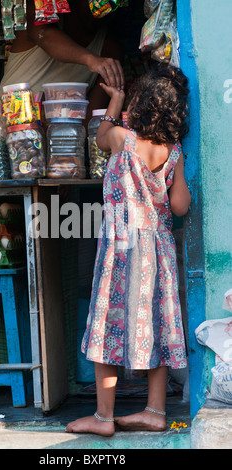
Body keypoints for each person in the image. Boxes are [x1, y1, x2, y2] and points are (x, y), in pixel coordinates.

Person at [65, 63, 191, 437]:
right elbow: (181, 206)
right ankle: (154, 410)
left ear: (138, 106)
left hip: (121, 248)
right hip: (158, 250)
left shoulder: (122, 138)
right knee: (159, 324)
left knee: (109, 325)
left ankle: (104, 417)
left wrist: (114, 100)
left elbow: (101, 136)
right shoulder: (174, 152)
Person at [0, 0, 125, 121]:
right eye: (96, 3)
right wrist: (91, 60)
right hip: (6, 126)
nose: (103, 11)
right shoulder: (41, 20)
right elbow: (45, 36)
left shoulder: (109, 51)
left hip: (57, 139)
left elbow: (92, 117)